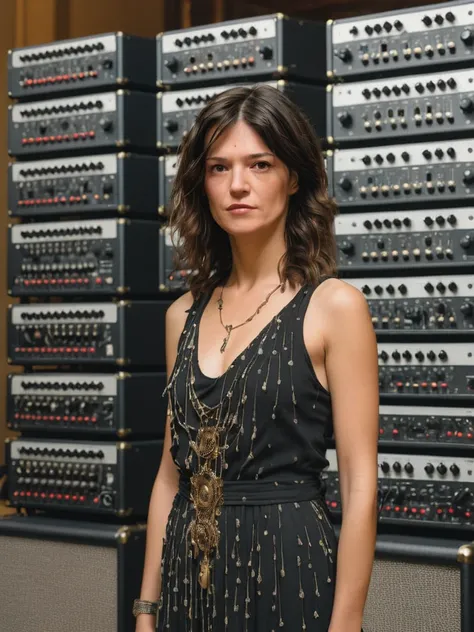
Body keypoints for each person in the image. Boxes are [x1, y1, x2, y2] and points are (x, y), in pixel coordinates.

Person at [134, 84, 379, 632]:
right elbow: (171, 477)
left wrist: (347, 623)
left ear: (293, 177)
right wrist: (146, 609)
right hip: (187, 577)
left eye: (259, 164)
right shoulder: (183, 315)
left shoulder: (334, 307)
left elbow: (360, 485)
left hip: (289, 572)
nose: (237, 185)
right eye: (219, 168)